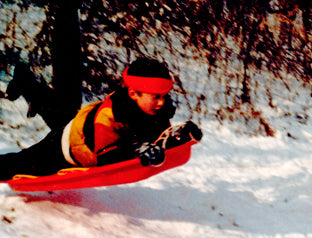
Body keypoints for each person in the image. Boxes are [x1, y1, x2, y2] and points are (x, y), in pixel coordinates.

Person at [0, 57, 183, 181]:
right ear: (134, 94)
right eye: (156, 97)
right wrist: (137, 149)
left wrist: (182, 135)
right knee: (22, 164)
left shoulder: (155, 108)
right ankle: (25, 82)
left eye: (164, 96)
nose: (162, 103)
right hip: (69, 146)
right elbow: (103, 156)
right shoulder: (110, 117)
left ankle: (25, 81)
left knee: (54, 110)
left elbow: (162, 136)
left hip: (83, 124)